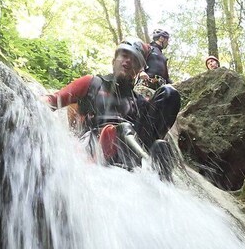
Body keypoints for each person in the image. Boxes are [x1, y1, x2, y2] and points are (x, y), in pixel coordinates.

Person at [41, 38, 180, 175]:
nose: (128, 61)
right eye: (124, 56)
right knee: (122, 130)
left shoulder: (139, 102)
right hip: (92, 147)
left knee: (169, 93)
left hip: (128, 155)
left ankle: (153, 168)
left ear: (138, 70)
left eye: (134, 60)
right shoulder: (92, 83)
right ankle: (147, 161)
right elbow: (53, 100)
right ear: (114, 61)